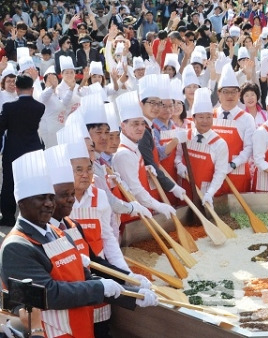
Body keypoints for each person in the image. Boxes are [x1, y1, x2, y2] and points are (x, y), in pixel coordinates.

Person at [0, 150, 126, 337]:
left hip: (82, 329)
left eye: (51, 197)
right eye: (41, 198)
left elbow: (85, 278)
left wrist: (129, 292)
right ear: (22, 203)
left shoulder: (61, 234)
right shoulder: (16, 247)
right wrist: (100, 287)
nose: (49, 204)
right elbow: (49, 293)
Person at [44, 143, 156, 337]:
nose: (85, 174)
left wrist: (128, 278)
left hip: (97, 282)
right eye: (78, 170)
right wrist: (122, 285)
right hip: (68, 306)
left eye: (89, 168)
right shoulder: (39, 234)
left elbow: (98, 254)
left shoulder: (73, 223)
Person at [112, 91, 178, 222]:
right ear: (123, 126)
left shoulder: (134, 147)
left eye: (142, 123)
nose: (140, 128)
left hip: (143, 212)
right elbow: (135, 190)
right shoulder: (124, 154)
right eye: (135, 124)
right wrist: (158, 206)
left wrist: (145, 169)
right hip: (134, 217)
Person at [0, 74, 45, 226]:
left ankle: (8, 217)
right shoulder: (40, 107)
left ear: (17, 89)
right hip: (33, 150)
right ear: (32, 89)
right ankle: (33, 216)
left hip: (13, 150)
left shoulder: (9, 108)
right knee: (33, 184)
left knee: (9, 184)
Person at [174, 88, 228, 207]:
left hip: (207, 196)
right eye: (201, 117)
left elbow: (220, 173)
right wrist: (179, 164)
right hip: (184, 193)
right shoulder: (185, 136)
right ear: (193, 118)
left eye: (209, 117)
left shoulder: (219, 143)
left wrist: (210, 193)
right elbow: (177, 155)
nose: (205, 121)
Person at [137, 74, 187, 204]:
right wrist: (172, 187)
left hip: (159, 179)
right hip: (147, 183)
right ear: (141, 104)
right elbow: (152, 161)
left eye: (159, 103)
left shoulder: (150, 127)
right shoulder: (141, 130)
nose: (157, 107)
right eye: (152, 103)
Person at [212, 64, 255, 195]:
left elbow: (249, 148)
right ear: (219, 93)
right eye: (226, 91)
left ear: (239, 94)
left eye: (233, 92)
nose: (230, 95)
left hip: (238, 174)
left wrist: (232, 165)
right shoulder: (210, 115)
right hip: (213, 174)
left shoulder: (247, 118)